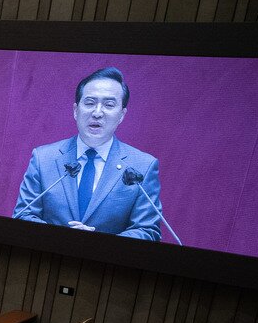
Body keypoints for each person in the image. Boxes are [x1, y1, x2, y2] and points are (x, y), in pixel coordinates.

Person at [12, 67, 162, 240]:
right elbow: (22, 215)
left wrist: (98, 243)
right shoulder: (43, 158)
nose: (97, 113)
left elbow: (148, 231)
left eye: (109, 105)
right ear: (76, 110)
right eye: (90, 103)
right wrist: (59, 237)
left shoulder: (143, 166)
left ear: (121, 115)